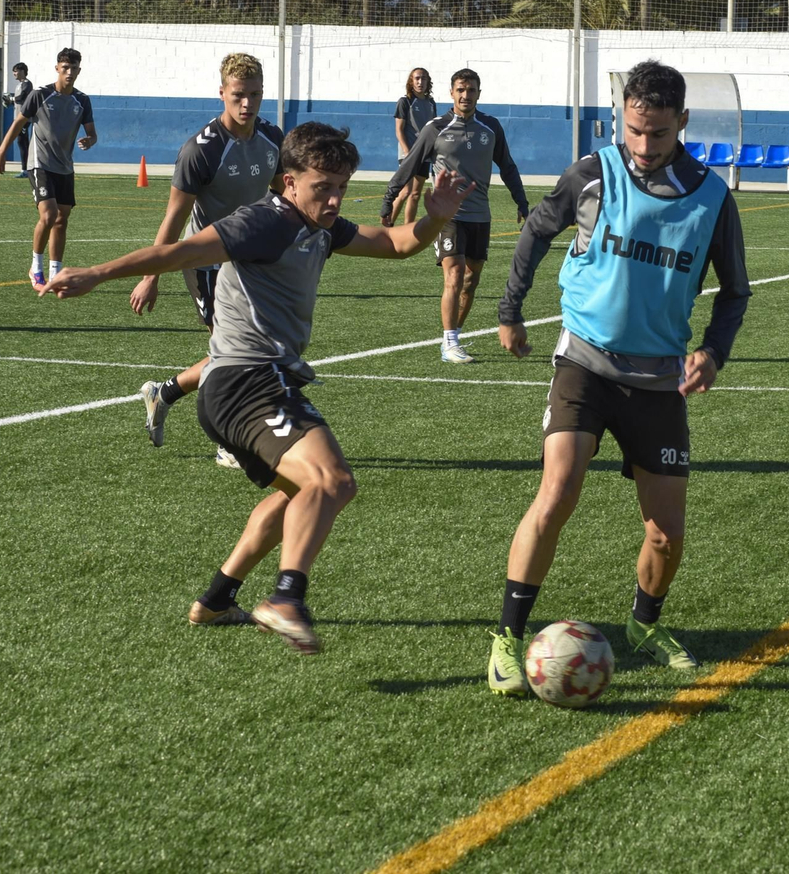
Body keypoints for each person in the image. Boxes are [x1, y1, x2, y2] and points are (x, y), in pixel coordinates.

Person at [40, 124, 473, 654]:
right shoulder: (263, 222)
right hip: (245, 383)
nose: (335, 198)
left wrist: (435, 216)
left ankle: (218, 599)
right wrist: (97, 273)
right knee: (332, 482)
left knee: (298, 494)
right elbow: (181, 253)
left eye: (341, 186)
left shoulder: (317, 224)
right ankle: (287, 598)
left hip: (260, 382)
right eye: (323, 187)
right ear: (289, 182)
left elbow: (396, 243)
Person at [486, 59, 750, 696]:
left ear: (682, 123)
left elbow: (735, 292)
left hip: (658, 380)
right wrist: (509, 310)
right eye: (633, 130)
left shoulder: (713, 198)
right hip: (584, 361)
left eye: (657, 134)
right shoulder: (593, 173)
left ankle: (644, 625)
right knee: (559, 490)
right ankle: (507, 638)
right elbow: (535, 234)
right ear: (620, 119)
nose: (643, 146)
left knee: (665, 531)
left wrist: (713, 353)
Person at [132, 53, 284, 466]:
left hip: (253, 259)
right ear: (222, 94)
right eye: (238, 95)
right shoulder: (201, 151)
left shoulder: (272, 139)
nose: (247, 104)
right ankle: (226, 439)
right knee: (232, 351)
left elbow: (282, 195)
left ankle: (162, 394)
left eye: (254, 94)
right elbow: (174, 218)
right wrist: (151, 277)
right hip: (207, 262)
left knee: (255, 349)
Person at [379, 68, 529, 364]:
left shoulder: (491, 127)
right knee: (455, 274)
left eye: (471, 90)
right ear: (451, 93)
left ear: (478, 94)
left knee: (472, 280)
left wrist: (522, 202)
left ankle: (454, 335)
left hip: (480, 215)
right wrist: (388, 199)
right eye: (460, 89)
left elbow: (508, 167)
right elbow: (409, 165)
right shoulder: (436, 128)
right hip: (448, 216)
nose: (465, 95)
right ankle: (449, 342)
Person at [0, 48, 97, 287]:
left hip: (65, 167)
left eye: (74, 68)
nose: (69, 72)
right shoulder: (41, 94)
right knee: (49, 215)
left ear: (79, 71)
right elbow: (19, 123)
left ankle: (56, 272)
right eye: (65, 68)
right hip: (40, 163)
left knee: (62, 220)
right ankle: (35, 267)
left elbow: (93, 133)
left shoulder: (82, 100)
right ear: (57, 68)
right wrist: (1, 152)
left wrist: (89, 141)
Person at [385, 67, 436, 224]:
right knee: (405, 191)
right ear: (411, 81)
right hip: (409, 154)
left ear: (428, 82)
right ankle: (388, 226)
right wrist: (407, 151)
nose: (420, 82)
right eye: (417, 78)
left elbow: (433, 129)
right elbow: (399, 130)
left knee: (415, 194)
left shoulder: (431, 103)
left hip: (425, 154)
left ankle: (408, 229)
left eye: (424, 78)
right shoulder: (405, 102)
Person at [0, 62, 32, 172]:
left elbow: (23, 97)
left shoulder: (27, 83)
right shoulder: (19, 85)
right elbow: (19, 101)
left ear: (23, 71)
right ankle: (25, 169)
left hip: (24, 119)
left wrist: (11, 99)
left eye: (16, 71)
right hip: (18, 118)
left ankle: (26, 170)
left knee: (23, 143)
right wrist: (10, 102)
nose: (14, 73)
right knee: (21, 142)